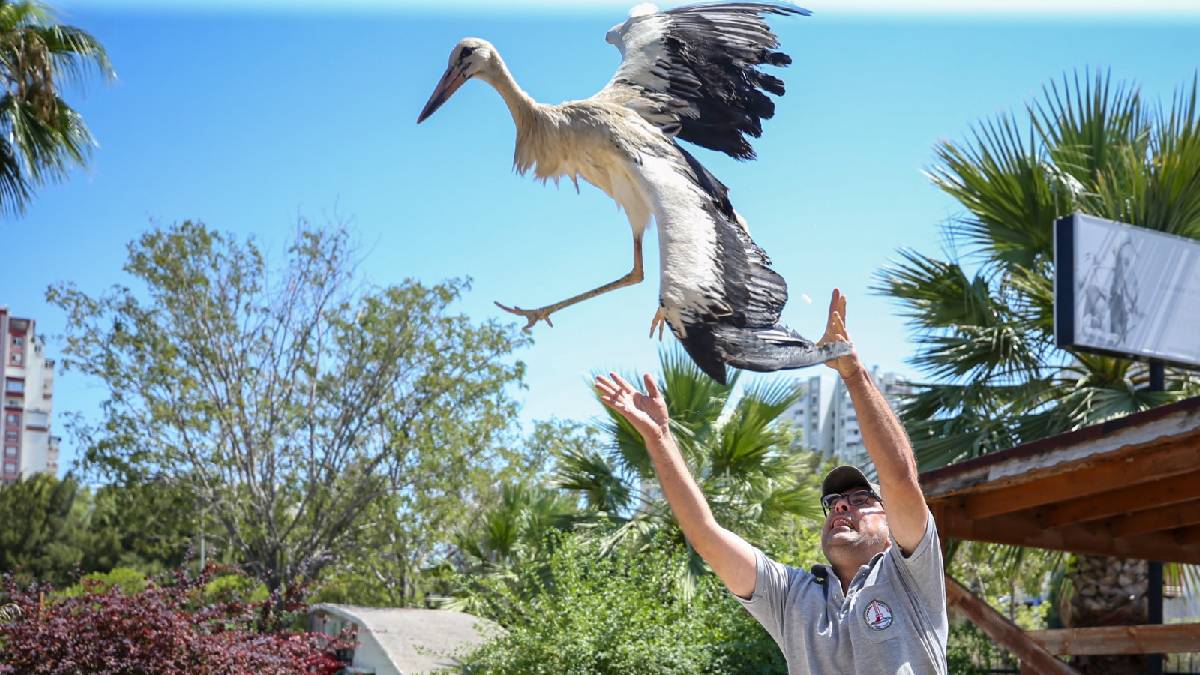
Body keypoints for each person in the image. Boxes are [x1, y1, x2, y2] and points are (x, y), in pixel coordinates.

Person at [594, 289, 948, 674]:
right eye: (833, 503)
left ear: (892, 525)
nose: (841, 505)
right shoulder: (792, 596)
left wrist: (852, 373)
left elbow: (898, 477)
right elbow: (705, 533)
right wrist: (660, 439)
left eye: (861, 498)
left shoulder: (911, 573)